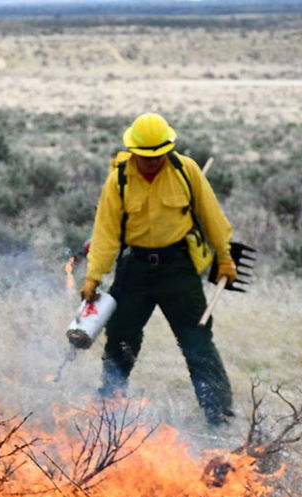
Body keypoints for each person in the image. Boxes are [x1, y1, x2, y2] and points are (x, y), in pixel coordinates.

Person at [81, 112, 239, 426]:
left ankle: (218, 412)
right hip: (135, 269)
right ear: (135, 152)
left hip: (178, 268)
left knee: (197, 340)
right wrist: (93, 276)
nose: (153, 162)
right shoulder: (120, 178)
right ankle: (110, 407)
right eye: (146, 156)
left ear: (168, 148)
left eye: (159, 155)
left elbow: (212, 216)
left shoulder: (186, 170)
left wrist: (225, 256)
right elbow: (106, 232)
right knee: (120, 339)